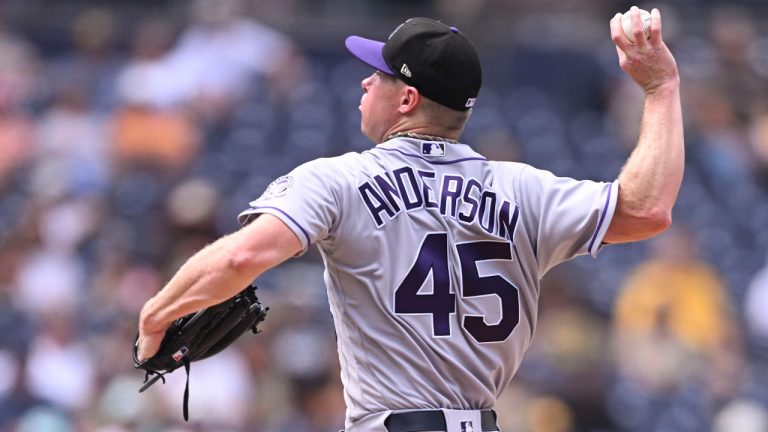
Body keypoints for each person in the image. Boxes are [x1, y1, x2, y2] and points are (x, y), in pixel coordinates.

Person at [137, 9, 683, 432]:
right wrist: (661, 90)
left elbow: (240, 256)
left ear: (408, 99)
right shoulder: (524, 189)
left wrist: (156, 313)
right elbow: (647, 211)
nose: (364, 84)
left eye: (377, 75)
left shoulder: (339, 179)